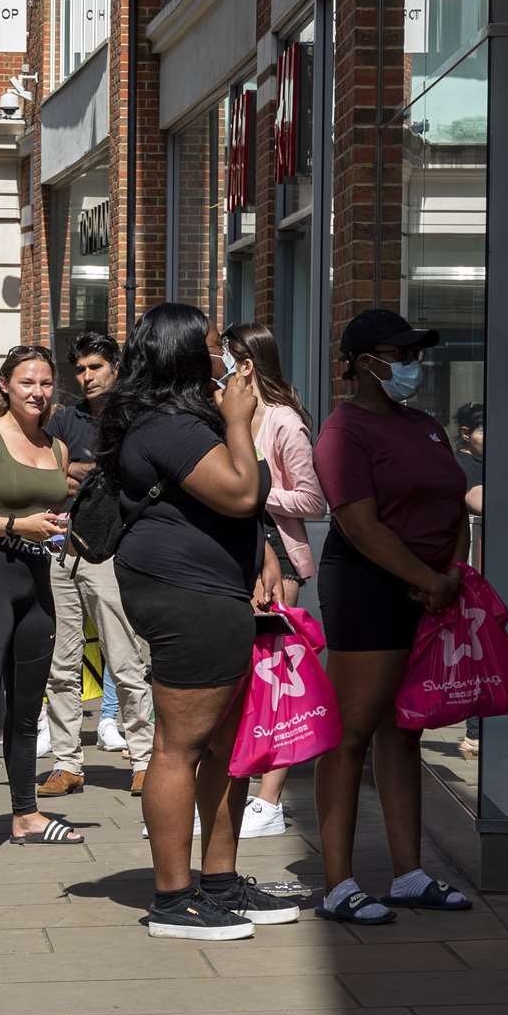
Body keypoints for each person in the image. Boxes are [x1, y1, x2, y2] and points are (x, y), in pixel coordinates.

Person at [96, 302, 295, 941]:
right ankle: (173, 898)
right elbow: (240, 491)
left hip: (214, 590)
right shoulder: (168, 426)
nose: (228, 357)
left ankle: (218, 881)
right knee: (178, 748)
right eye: (214, 345)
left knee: (225, 747)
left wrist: (262, 550)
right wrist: (239, 419)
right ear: (186, 355)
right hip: (186, 594)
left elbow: (234, 511)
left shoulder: (180, 420)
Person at [311, 308, 471, 926]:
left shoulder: (425, 426)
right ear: (363, 365)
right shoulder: (343, 431)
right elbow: (358, 524)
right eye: (398, 355)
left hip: (430, 592)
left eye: (413, 353)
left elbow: (454, 500)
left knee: (405, 732)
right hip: (369, 590)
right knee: (351, 736)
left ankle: (409, 874)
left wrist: (450, 572)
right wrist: (425, 578)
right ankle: (337, 883)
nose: (412, 364)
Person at [0, 346, 83, 862]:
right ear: (5, 385)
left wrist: (58, 530)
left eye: (46, 383)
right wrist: (13, 525)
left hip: (36, 577)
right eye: (27, 382)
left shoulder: (58, 448)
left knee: (28, 706)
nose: (38, 392)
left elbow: (53, 513)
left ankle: (26, 815)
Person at [37, 332, 156, 799]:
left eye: (95, 368)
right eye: (81, 370)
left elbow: (130, 476)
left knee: (125, 658)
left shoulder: (133, 416)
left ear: (116, 368)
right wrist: (91, 473)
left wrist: (82, 473)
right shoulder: (66, 418)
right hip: (62, 546)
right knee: (61, 663)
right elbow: (50, 473)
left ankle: (143, 757)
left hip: (110, 549)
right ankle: (67, 762)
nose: (86, 378)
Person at [220, 322, 327, 838]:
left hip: (279, 557)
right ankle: (236, 790)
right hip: (234, 553)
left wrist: (251, 493)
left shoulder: (285, 421)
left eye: (223, 357)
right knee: (243, 679)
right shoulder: (228, 414)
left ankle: (271, 798)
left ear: (245, 364)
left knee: (278, 679)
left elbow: (312, 500)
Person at [453, 400, 486, 757]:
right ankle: (474, 732)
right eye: (482, 429)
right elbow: (478, 501)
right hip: (472, 574)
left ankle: (477, 731)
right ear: (466, 434)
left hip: (488, 571)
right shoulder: (462, 464)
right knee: (475, 652)